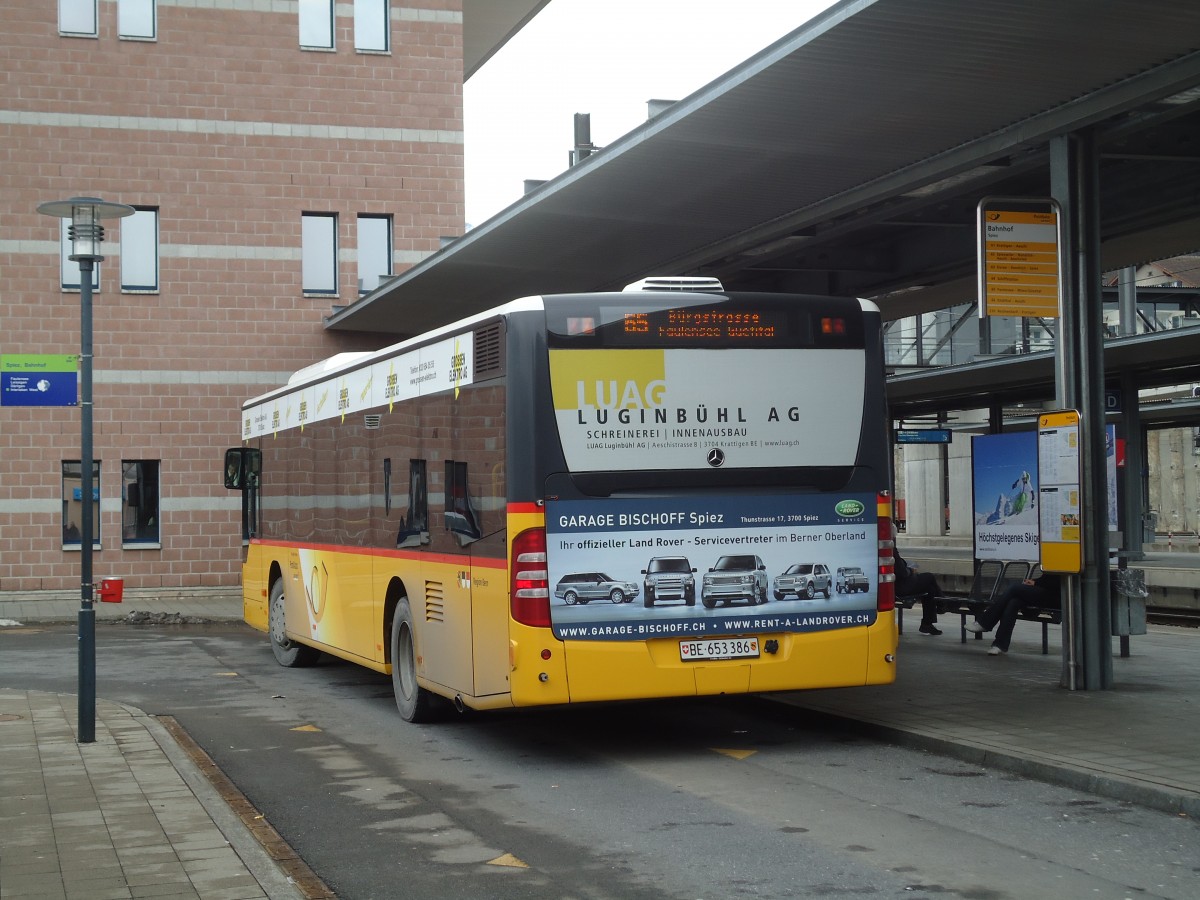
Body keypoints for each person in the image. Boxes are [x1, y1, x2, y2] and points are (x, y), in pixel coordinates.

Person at [966, 570, 1061, 655]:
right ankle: (999, 645)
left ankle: (985, 623)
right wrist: (1033, 581)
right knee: (1013, 602)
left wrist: (1035, 582)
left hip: (1055, 597)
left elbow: (1058, 582)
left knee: (1013, 588)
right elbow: (1048, 579)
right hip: (1045, 592)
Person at [891, 521, 943, 635]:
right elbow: (901, 572)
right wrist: (910, 570)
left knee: (930, 590)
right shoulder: (890, 549)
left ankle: (927, 623)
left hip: (896, 586)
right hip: (900, 587)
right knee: (929, 577)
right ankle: (942, 605)